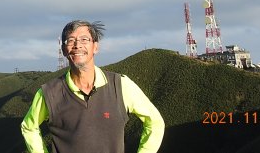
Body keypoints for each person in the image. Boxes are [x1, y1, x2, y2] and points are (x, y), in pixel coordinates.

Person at [21, 20, 164, 153]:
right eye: (71, 40)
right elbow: (29, 127)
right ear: (64, 50)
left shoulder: (120, 85)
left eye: (84, 39)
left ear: (95, 47)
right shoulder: (49, 93)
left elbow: (155, 122)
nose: (77, 45)